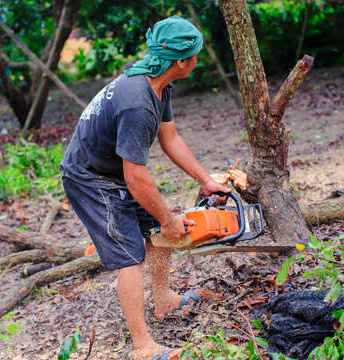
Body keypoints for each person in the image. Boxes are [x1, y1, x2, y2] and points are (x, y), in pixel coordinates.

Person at [60, 16, 230, 360]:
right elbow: (136, 176)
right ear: (181, 61)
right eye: (196, 54)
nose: (199, 60)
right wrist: (168, 217)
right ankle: (142, 346)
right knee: (129, 255)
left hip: (114, 168)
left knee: (157, 228)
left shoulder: (159, 85)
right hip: (89, 176)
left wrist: (206, 180)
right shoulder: (137, 101)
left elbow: (171, 138)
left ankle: (164, 301)